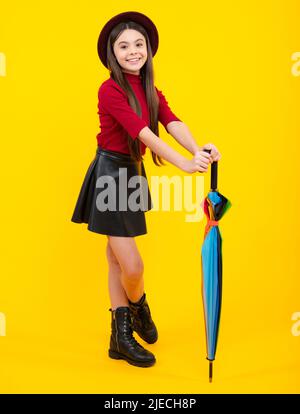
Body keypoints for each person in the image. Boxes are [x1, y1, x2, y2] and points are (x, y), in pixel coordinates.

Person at [71, 11, 221, 368]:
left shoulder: (150, 88)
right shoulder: (109, 89)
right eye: (124, 46)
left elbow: (171, 122)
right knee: (132, 266)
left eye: (139, 44)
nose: (133, 51)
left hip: (133, 174)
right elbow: (143, 133)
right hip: (109, 175)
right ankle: (138, 307)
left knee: (115, 259)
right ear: (113, 53)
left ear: (148, 50)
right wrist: (183, 164)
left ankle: (119, 338)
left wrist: (197, 150)